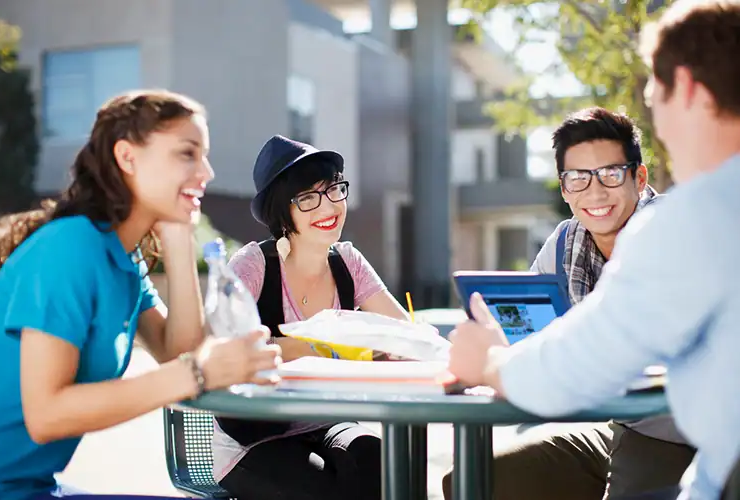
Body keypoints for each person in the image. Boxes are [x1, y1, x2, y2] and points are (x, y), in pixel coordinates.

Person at [448, 1, 740, 499]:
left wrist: (491, 361)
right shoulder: (573, 242)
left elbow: (579, 363)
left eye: (654, 93)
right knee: (480, 478)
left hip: (685, 450)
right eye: (577, 180)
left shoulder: (693, 222)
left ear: (686, 87)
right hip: (648, 435)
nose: (656, 115)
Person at [0, 89, 281, 500]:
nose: (207, 171)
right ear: (127, 157)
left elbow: (175, 349)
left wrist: (180, 240)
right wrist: (198, 374)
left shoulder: (123, 260)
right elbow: (46, 415)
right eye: (187, 153)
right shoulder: (69, 248)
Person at [443, 107, 695, 500]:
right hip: (617, 423)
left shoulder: (671, 232)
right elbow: (528, 332)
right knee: (474, 480)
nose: (594, 193)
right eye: (578, 178)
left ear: (639, 177)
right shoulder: (565, 243)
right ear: (564, 189)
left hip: (678, 428)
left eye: (611, 174)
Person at [212, 135, 411, 500]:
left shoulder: (349, 262)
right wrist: (301, 347)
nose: (328, 207)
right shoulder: (253, 265)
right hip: (255, 438)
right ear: (281, 210)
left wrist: (396, 346)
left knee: (383, 464)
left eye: (334, 189)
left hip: (329, 421)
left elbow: (405, 335)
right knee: (327, 490)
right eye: (307, 198)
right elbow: (219, 345)